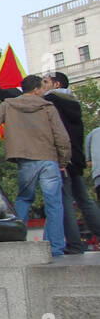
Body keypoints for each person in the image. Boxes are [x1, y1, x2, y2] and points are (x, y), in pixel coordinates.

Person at [0, 74, 71, 257]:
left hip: (25, 159)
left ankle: (16, 239)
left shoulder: (9, 105)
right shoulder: (47, 107)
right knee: (54, 204)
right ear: (37, 89)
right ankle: (55, 248)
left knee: (24, 199)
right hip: (48, 159)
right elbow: (61, 136)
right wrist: (63, 160)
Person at [44, 72, 100, 253]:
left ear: (56, 83)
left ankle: (74, 244)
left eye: (45, 82)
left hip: (62, 157)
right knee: (84, 199)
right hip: (76, 157)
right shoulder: (73, 102)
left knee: (64, 200)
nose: (43, 85)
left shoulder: (51, 101)